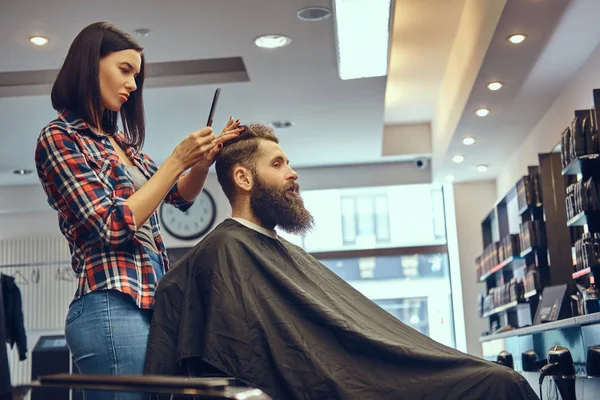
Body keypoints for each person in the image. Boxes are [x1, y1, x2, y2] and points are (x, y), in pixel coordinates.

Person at [144, 124, 539, 400]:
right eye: (278, 164)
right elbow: (245, 358)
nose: (293, 173)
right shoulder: (225, 252)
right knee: (496, 385)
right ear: (244, 179)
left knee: (495, 381)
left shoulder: (278, 251)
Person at [34, 22, 243, 400]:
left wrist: (199, 164)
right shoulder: (60, 137)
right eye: (125, 70)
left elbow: (180, 199)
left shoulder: (123, 145)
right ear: (89, 64)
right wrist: (175, 159)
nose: (133, 84)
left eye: (137, 75)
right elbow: (113, 225)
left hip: (155, 304)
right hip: (112, 303)